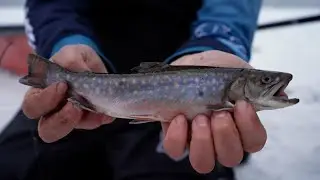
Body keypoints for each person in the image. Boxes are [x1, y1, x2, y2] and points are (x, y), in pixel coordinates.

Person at [0, 0, 266, 179]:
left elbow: (231, 6)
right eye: (264, 82)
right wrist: (64, 41)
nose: (270, 84)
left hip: (178, 88)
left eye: (264, 81)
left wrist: (216, 43)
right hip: (89, 72)